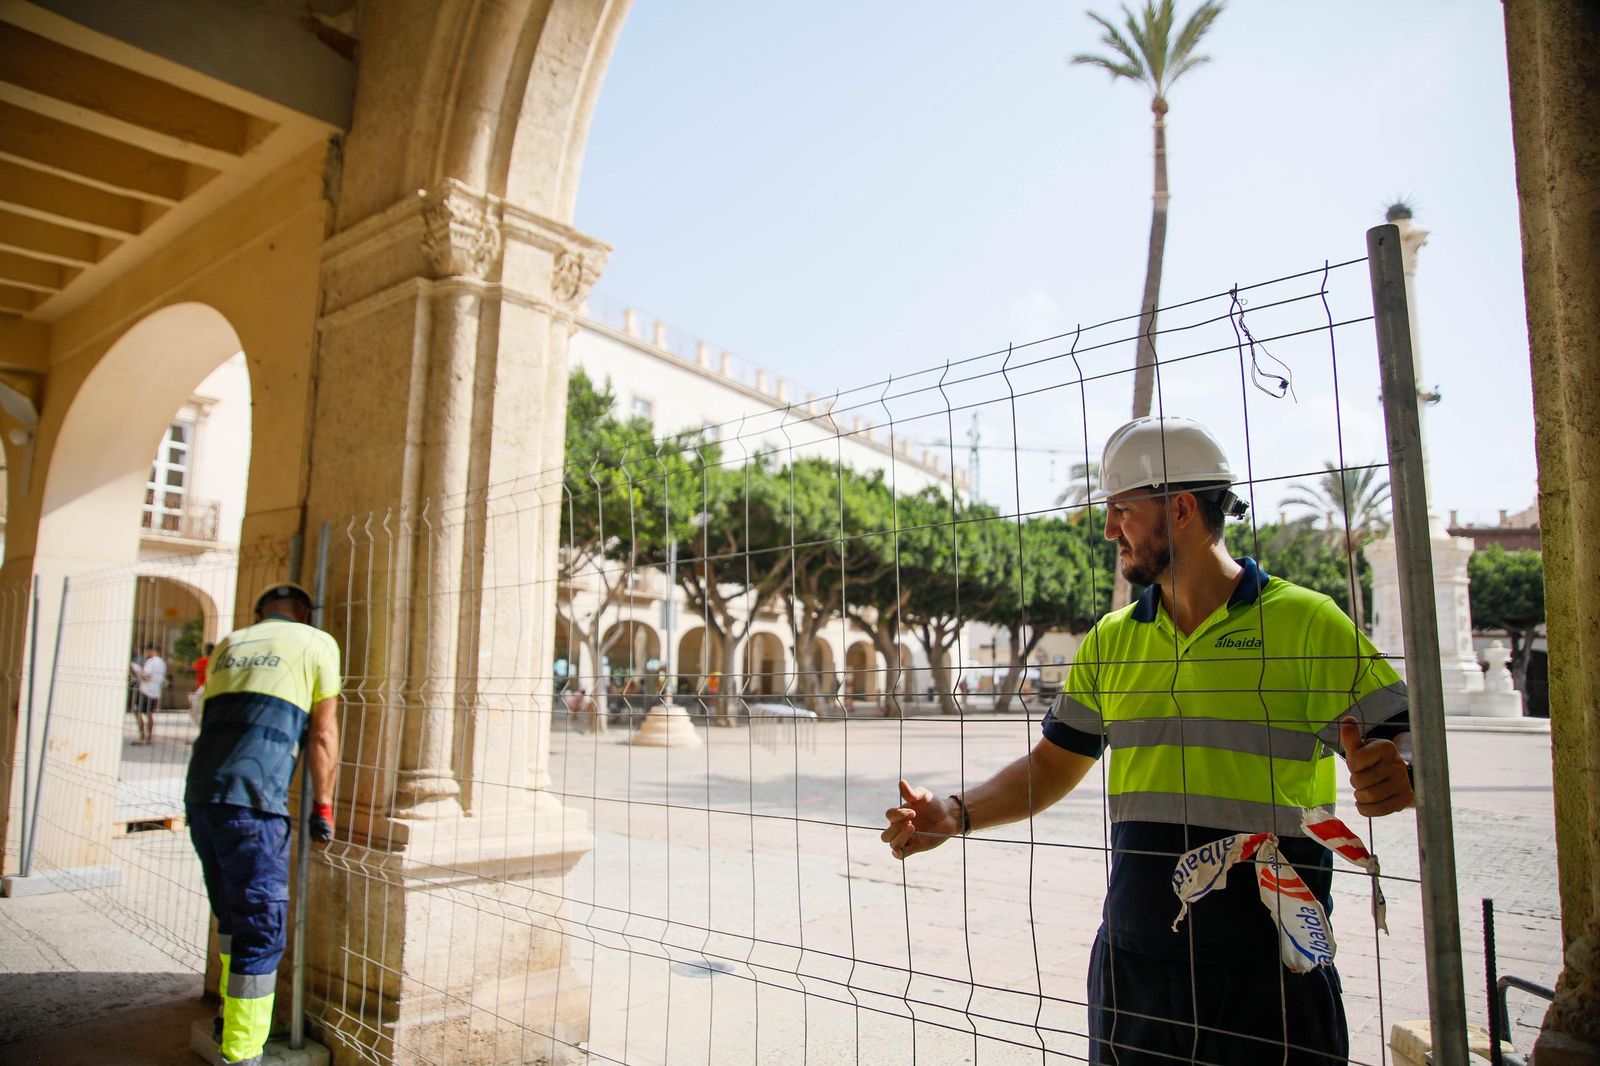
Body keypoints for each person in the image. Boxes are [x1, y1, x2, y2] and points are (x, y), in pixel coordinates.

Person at [882, 417, 1414, 1066]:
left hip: (1273, 977)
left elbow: (1406, 748)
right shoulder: (1110, 641)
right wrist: (956, 814)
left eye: (1121, 511)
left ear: (1181, 509)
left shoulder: (1308, 623)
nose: (1110, 530)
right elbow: (1052, 765)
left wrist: (1398, 774)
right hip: (1138, 971)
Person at [186, 582, 341, 1065]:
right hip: (254, 804)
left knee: (233, 920)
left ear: (260, 613)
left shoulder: (231, 642)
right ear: (304, 613)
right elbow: (322, 733)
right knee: (261, 929)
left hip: (202, 798)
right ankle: (242, 1053)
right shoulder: (319, 643)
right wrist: (324, 806)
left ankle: (231, 1021)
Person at [133, 642, 167, 745]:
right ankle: (149, 737)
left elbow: (146, 677)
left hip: (145, 691)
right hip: (156, 692)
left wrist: (138, 671)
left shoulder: (151, 662)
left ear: (150, 650)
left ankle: (142, 735)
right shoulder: (162, 662)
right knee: (149, 714)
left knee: (137, 712)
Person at [189, 642, 216, 730]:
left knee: (195, 710)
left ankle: (202, 728)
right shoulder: (216, 661)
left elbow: (192, 669)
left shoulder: (200, 661)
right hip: (214, 687)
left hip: (202, 688)